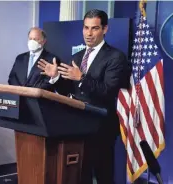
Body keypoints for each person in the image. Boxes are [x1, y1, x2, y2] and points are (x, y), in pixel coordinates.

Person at [38, 9, 132, 184]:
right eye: (86, 28)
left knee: (103, 176)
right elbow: (68, 91)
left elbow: (107, 91)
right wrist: (55, 77)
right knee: (80, 176)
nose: (89, 33)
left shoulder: (115, 57)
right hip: (76, 126)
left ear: (105, 29)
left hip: (101, 129)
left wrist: (81, 77)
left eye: (94, 28)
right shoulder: (77, 56)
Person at [8, 27, 61, 91]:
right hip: (18, 99)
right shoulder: (20, 58)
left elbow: (49, 84)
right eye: (30, 39)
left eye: (36, 39)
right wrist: (20, 90)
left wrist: (30, 92)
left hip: (38, 99)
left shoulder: (52, 59)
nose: (32, 42)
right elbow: (12, 78)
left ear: (44, 41)